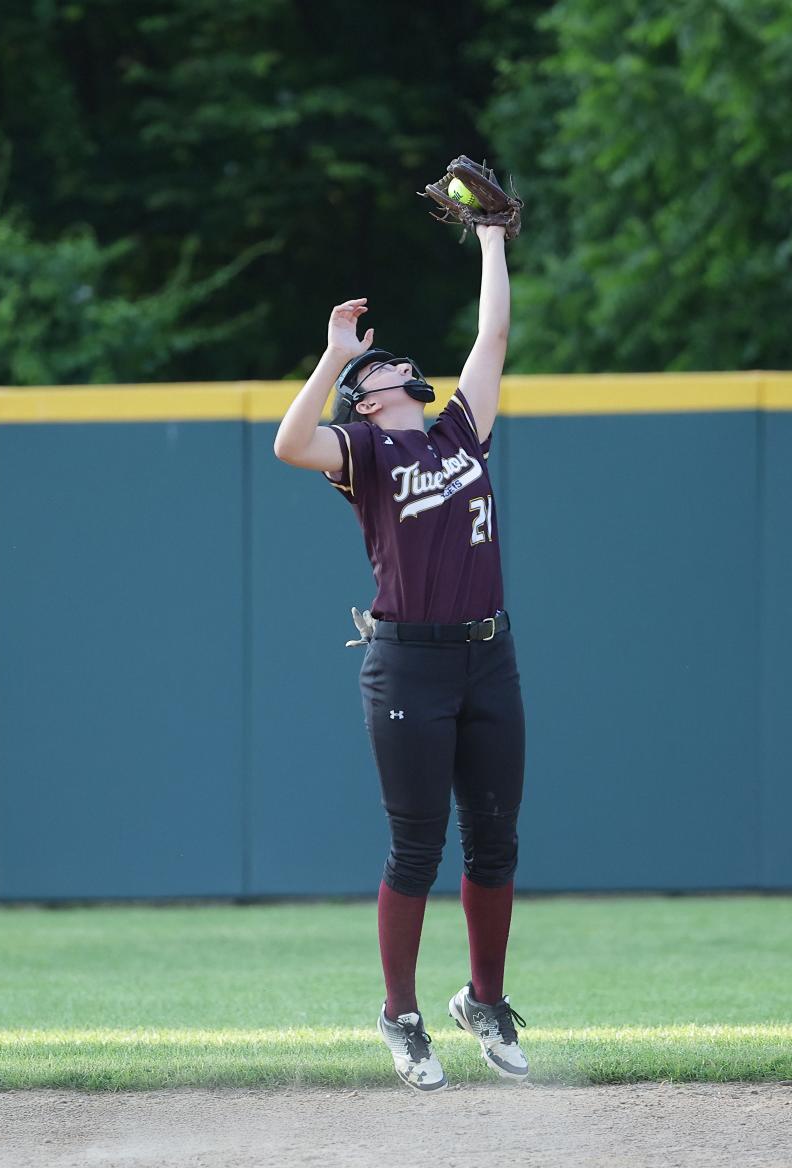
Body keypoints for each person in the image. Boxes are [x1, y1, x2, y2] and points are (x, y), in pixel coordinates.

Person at [273, 224, 527, 1093]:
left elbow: (492, 336)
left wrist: (492, 240)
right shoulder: (366, 450)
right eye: (373, 372)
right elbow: (288, 444)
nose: (394, 364)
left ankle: (484, 1000)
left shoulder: (460, 430)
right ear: (366, 399)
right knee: (416, 847)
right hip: (408, 665)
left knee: (495, 842)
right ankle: (401, 1016)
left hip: (488, 656)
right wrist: (333, 356)